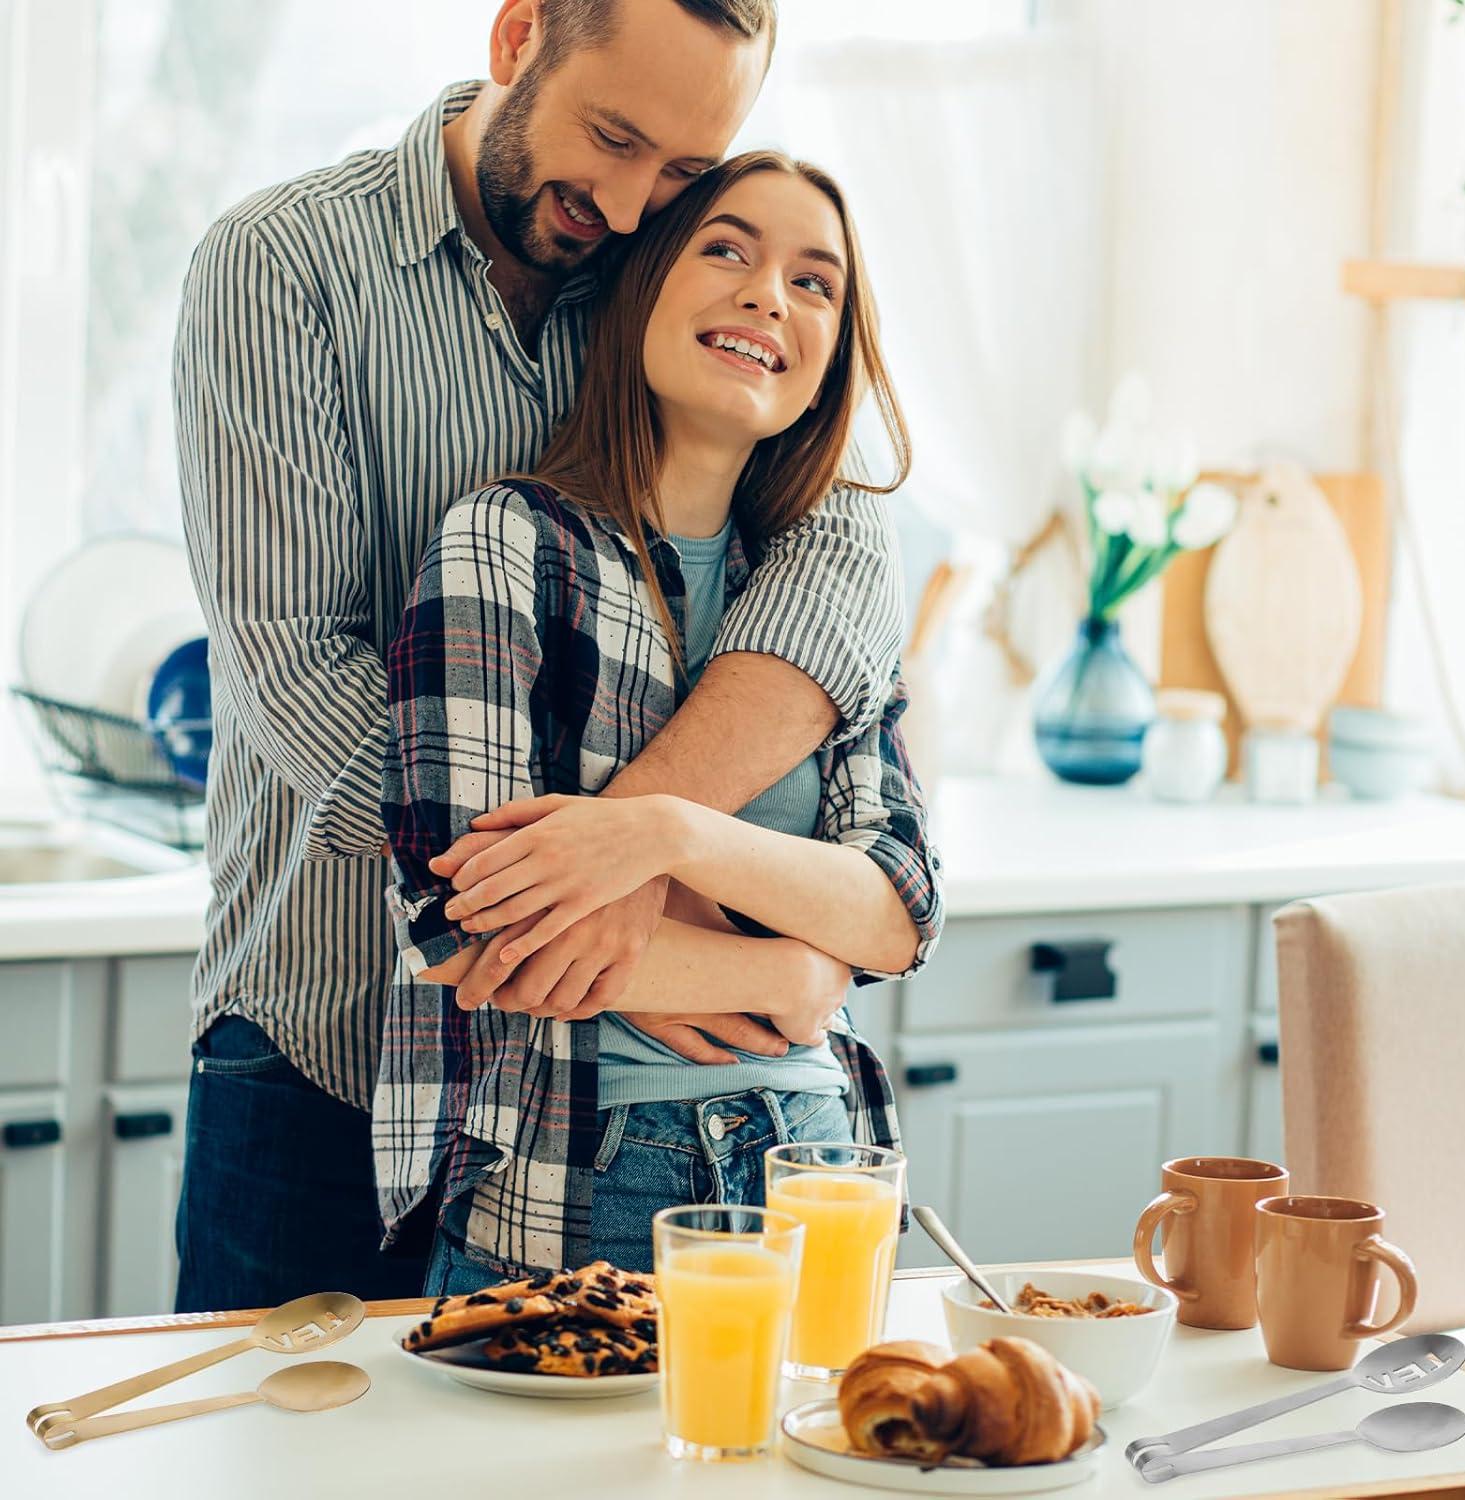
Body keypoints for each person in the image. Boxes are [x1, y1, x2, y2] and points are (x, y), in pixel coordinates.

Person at [172, 0, 908, 1312]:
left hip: (570, 1111)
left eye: (681, 174)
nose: (630, 210)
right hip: (322, 1044)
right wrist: (624, 920)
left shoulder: (678, 277)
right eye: (612, 139)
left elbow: (836, 558)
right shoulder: (282, 266)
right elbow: (291, 668)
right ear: (518, 38)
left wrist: (644, 862)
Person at [380, 149, 945, 1290]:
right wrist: (783, 977)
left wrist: (670, 835)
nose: (767, 295)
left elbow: (896, 910)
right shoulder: (508, 545)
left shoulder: (818, 586)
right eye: (727, 249)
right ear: (642, 285)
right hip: (583, 1170)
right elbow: (466, 928)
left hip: (823, 1165)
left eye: (815, 281)